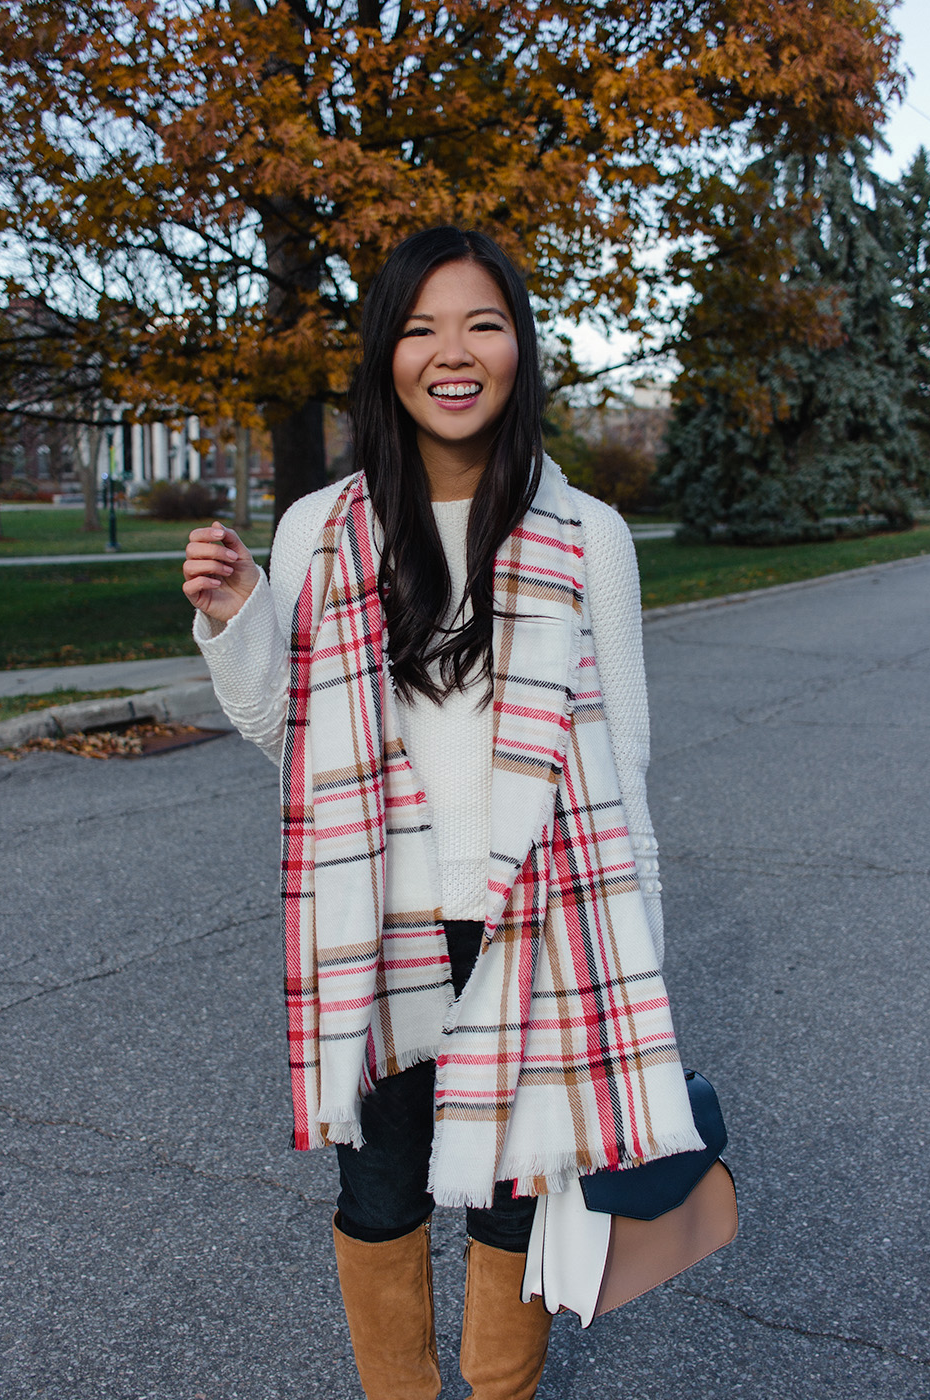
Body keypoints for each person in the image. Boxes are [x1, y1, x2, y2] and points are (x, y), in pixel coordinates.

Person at [182, 227, 701, 1400]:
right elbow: (284, 731)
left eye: (481, 322)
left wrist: (641, 976)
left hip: (539, 929)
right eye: (420, 328)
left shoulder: (589, 536)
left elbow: (625, 772)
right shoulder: (321, 528)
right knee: (379, 1194)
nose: (451, 353)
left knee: (518, 1196)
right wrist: (236, 620)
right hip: (378, 924)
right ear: (386, 355)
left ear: (519, 345)